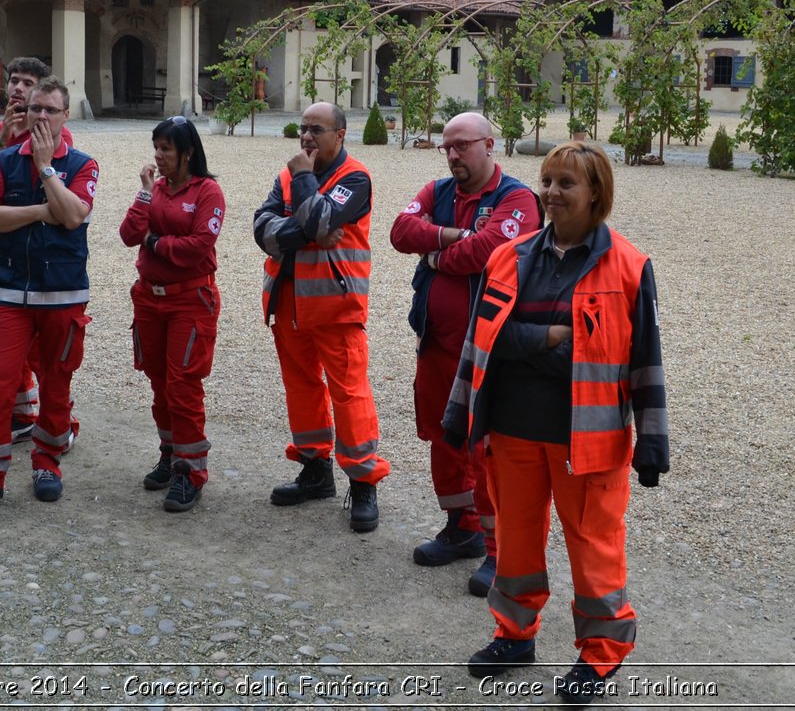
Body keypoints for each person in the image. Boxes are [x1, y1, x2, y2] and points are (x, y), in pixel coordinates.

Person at [443, 142, 667, 704]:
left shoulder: (630, 266)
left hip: (586, 441)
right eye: (546, 181)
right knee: (516, 539)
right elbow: (484, 340)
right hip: (514, 429)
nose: (551, 193)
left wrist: (654, 441)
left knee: (594, 546)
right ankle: (513, 634)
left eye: (566, 183)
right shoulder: (509, 257)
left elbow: (644, 361)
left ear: (596, 193)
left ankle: (601, 654)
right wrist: (542, 342)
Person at [389, 111, 540, 595]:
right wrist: (451, 237)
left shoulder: (515, 198)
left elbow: (492, 252)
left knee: (487, 451)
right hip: (435, 343)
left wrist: (432, 253)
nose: (453, 154)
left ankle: (503, 554)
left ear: (489, 144)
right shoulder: (438, 191)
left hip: (487, 353)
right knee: (444, 437)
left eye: (462, 145)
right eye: (446, 146)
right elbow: (398, 232)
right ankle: (463, 528)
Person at [0, 77, 98, 514]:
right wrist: (39, 212)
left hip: (63, 292)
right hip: (11, 290)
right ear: (25, 112)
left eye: (51, 110)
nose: (42, 117)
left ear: (66, 116)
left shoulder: (84, 165)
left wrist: (48, 168)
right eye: (36, 109)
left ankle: (47, 463)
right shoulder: (4, 160)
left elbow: (72, 217)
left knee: (56, 382)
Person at [252, 101, 388, 533]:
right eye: (303, 129)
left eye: (317, 130)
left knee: (349, 394)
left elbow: (323, 217)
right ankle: (315, 471)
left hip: (336, 306)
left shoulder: (355, 177)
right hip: (288, 300)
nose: (306, 137)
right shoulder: (289, 175)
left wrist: (303, 197)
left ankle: (363, 482)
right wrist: (302, 230)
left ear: (340, 135)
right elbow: (260, 226)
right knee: (302, 388)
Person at [0, 57, 76, 445]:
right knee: (0, 351)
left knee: (44, 355)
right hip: (2, 259)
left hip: (43, 264)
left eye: (27, 83)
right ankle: (18, 413)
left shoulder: (57, 138)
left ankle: (49, 423)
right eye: (13, 81)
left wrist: (18, 213)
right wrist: (0, 140)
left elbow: (67, 213)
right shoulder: (0, 130)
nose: (16, 88)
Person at [119, 115, 225, 512]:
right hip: (149, 298)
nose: (159, 156)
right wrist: (145, 195)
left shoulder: (208, 191)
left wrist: (155, 242)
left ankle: (191, 472)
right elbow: (128, 235)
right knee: (158, 381)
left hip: (189, 300)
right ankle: (170, 453)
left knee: (183, 384)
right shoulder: (156, 189)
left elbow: (197, 247)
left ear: (187, 153)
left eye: (167, 149)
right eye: (156, 148)